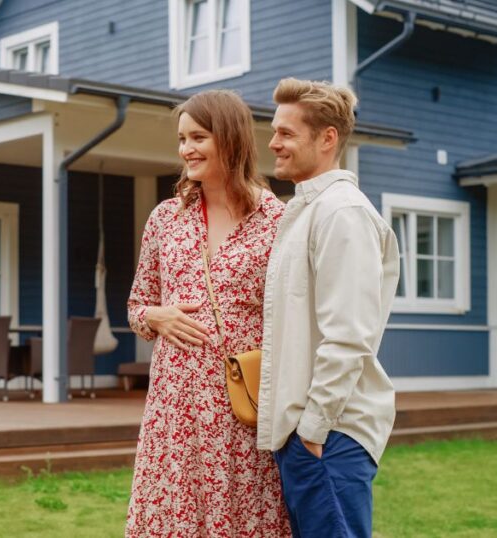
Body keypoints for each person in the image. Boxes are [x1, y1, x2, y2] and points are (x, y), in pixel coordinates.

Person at [126, 90, 292, 537]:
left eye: (198, 137)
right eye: (182, 139)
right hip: (174, 407)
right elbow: (136, 306)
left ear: (231, 138)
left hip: (242, 406)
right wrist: (155, 317)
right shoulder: (166, 219)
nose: (186, 150)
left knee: (242, 515)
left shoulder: (278, 220)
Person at [258, 78, 400, 538]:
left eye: (286, 132)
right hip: (310, 435)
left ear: (327, 138)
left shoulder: (342, 214)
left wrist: (313, 431)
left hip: (330, 435)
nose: (273, 142)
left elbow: (349, 336)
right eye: (274, 130)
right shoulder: (308, 211)